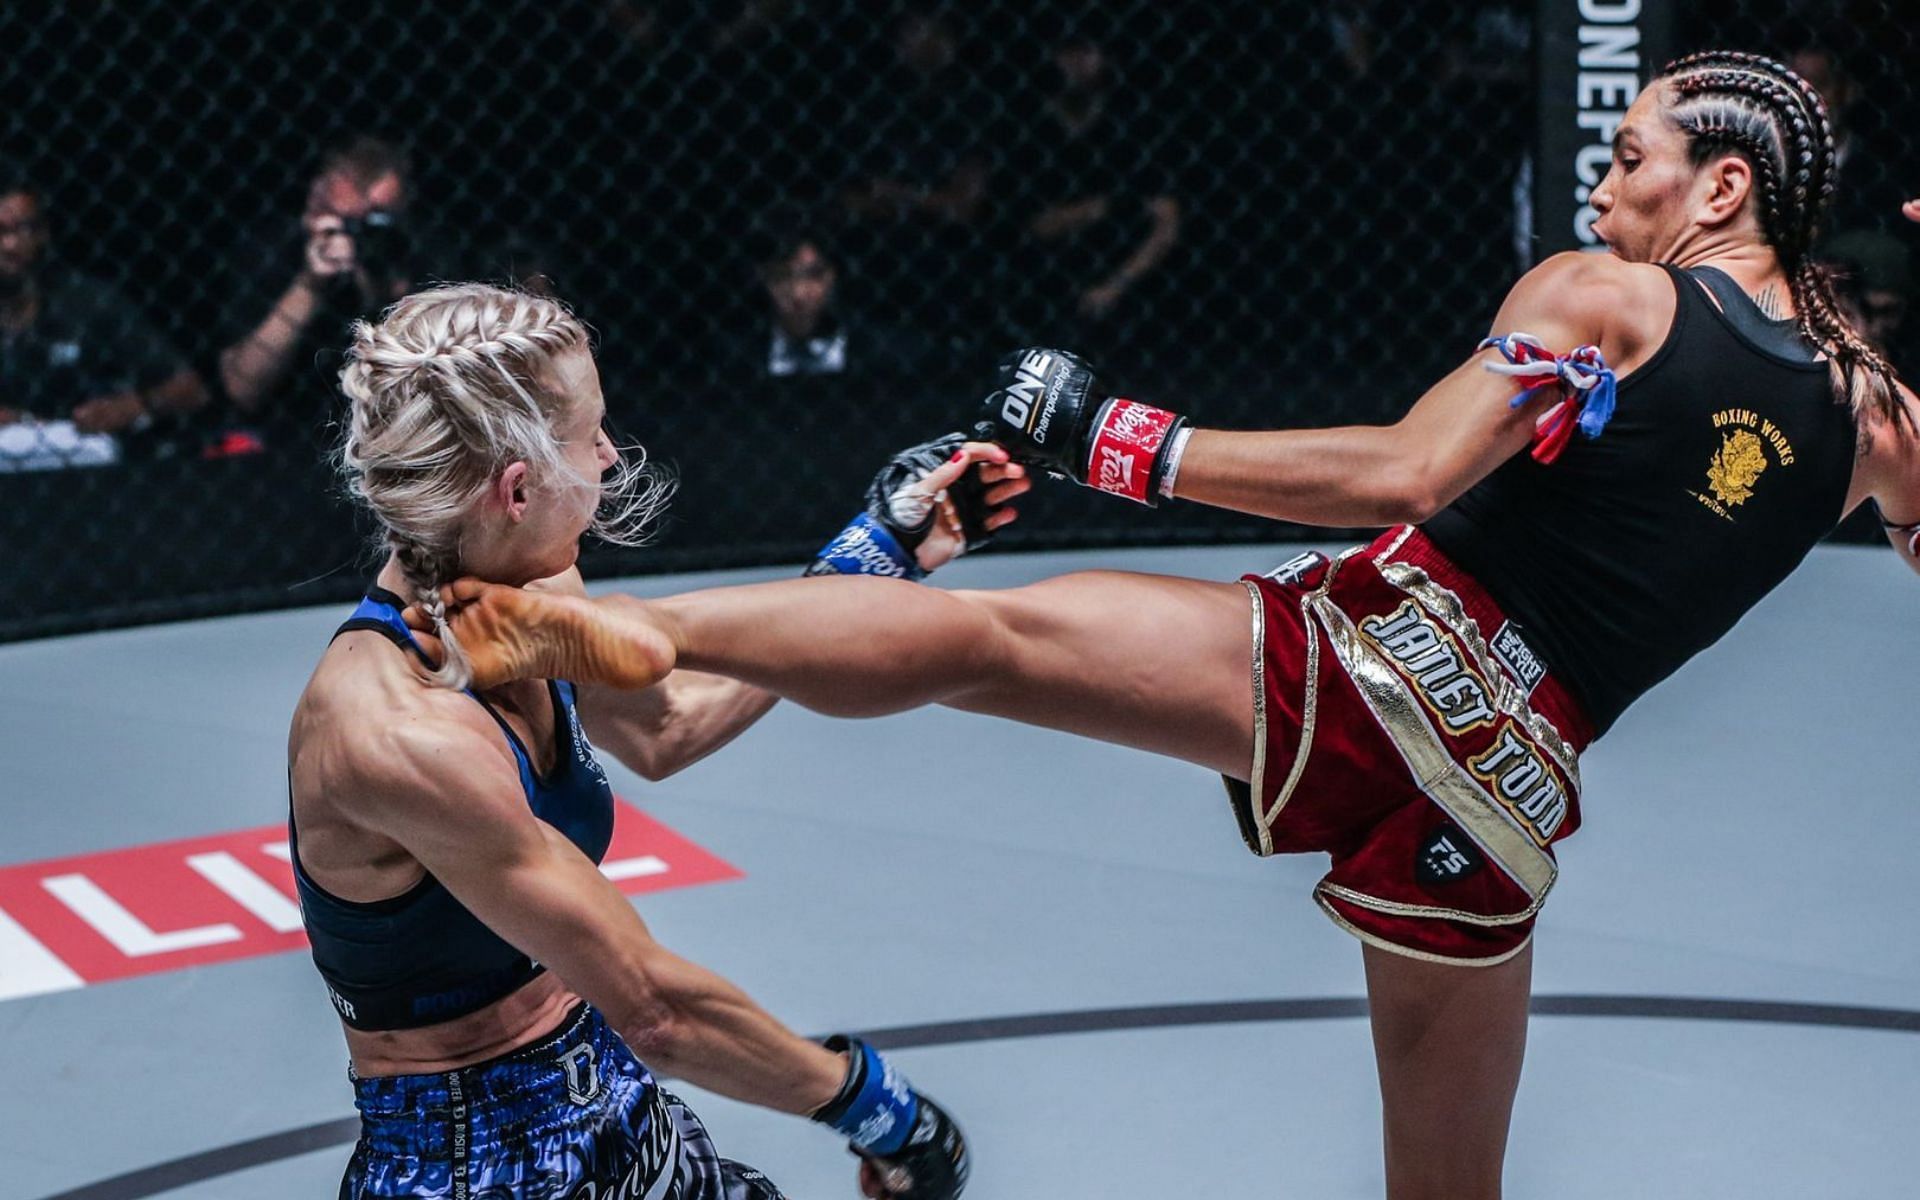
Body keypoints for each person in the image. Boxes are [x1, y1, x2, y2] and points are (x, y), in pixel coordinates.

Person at [416, 54, 1920, 1198]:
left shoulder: (1608, 298)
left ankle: (639, 634)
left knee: (983, 645)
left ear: (1719, 190)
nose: (1602, 183)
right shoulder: (1873, 421)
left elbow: (1399, 474)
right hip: (1503, 798)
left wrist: (1111, 436)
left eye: (1631, 152)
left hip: (1379, 658)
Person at [289, 282, 1025, 1199]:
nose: (607, 454)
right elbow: (656, 1010)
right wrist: (879, 1108)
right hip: (474, 1163)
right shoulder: (395, 729)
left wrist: (874, 557)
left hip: (610, 1094)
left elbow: (666, 726)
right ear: (517, 489)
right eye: (590, 433)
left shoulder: (533, 593)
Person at [0, 171, 207, 465]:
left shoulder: (87, 301)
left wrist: (134, 406)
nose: (9, 246)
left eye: (22, 230)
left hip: (91, 467)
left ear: (43, 234)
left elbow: (191, 390)